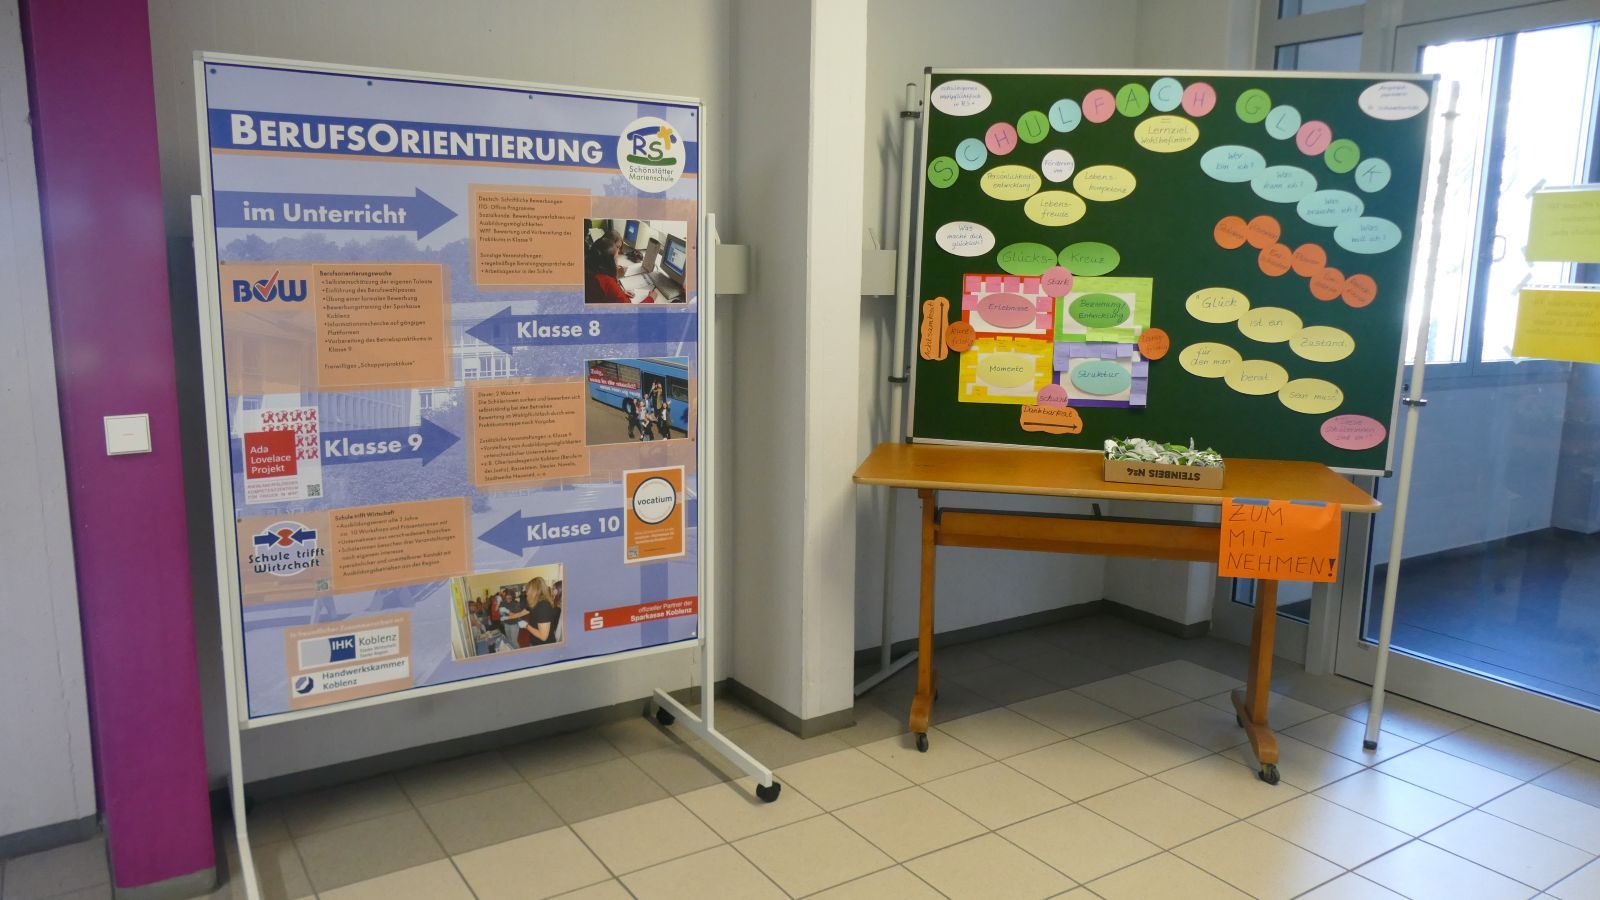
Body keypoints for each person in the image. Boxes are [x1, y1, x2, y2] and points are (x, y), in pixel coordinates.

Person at [585, 233, 636, 303]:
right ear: (610, 261)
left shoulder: (588, 268)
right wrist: (650, 298)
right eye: (616, 256)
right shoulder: (608, 282)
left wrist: (619, 293)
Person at [524, 576, 563, 645]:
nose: (526, 593)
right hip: (536, 641)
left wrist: (526, 625)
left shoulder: (543, 606)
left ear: (534, 590)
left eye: (528, 590)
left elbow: (543, 637)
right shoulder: (538, 603)